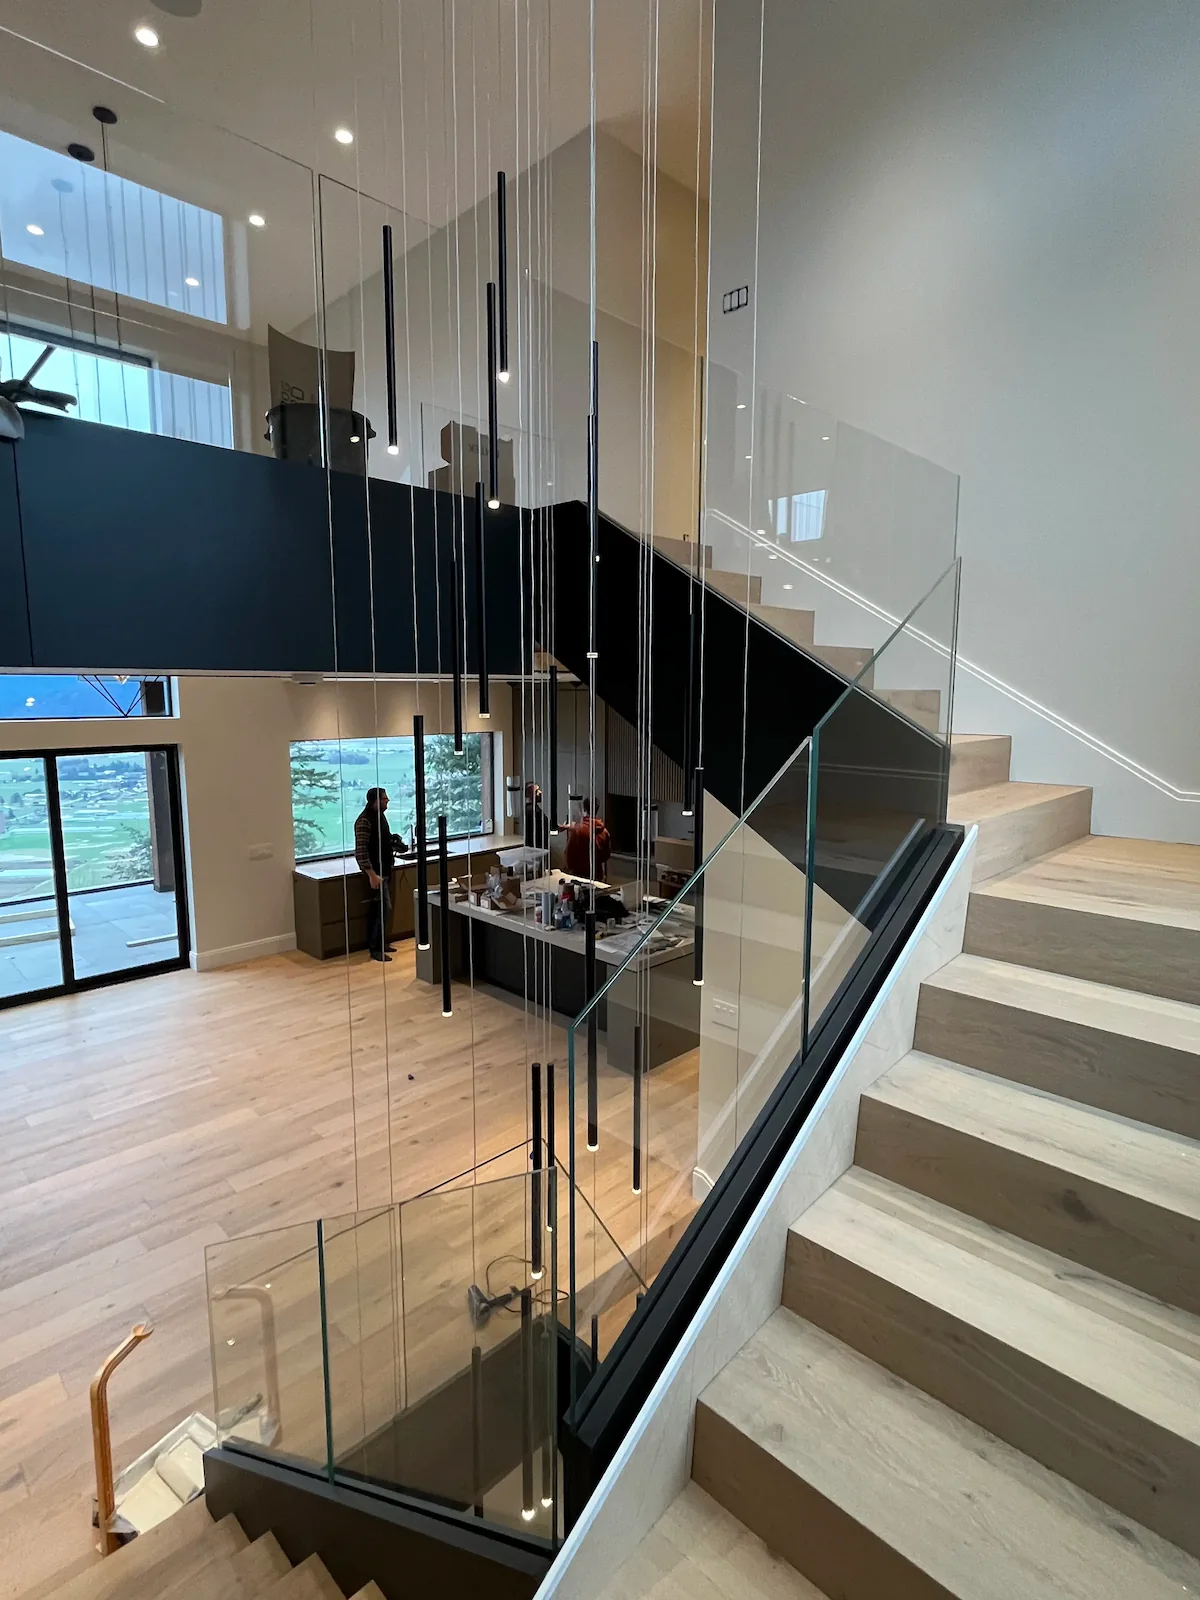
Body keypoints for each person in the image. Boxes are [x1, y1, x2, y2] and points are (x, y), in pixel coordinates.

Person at [354, 787, 405, 962]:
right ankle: (374, 948)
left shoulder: (380, 817)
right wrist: (372, 874)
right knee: (378, 911)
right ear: (375, 801)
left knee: (383, 910)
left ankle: (380, 943)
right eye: (384, 799)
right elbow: (361, 851)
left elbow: (382, 840)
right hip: (375, 873)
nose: (387, 801)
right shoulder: (364, 821)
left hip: (384, 869)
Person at [564, 796, 612, 881]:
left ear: (584, 810)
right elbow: (606, 856)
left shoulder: (578, 830)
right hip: (596, 876)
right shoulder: (604, 832)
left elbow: (569, 854)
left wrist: (569, 870)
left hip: (578, 876)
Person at [524, 781, 551, 850]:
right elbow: (547, 825)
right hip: (536, 850)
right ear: (529, 793)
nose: (540, 792)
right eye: (537, 791)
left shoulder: (533, 809)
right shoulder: (533, 811)